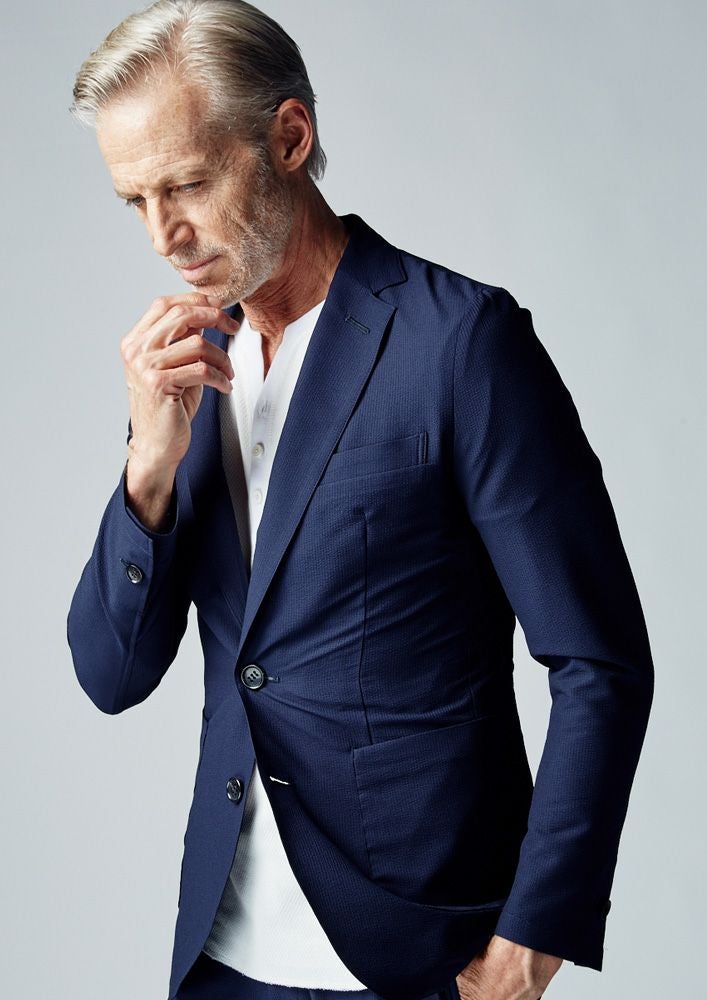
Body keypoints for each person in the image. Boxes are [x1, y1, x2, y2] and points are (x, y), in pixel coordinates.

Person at [66, 2, 654, 999]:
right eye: (135, 200)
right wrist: (148, 469)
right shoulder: (185, 369)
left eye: (188, 184)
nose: (164, 234)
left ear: (288, 137)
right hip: (220, 956)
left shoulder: (460, 345)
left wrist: (532, 937)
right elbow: (111, 674)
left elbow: (598, 658)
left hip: (418, 957)